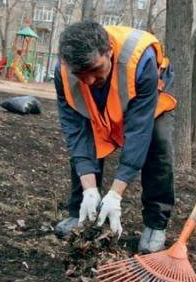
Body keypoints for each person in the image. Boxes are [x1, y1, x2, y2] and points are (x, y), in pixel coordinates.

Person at [54, 21, 177, 253]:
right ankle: (80, 212)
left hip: (148, 92)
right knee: (85, 140)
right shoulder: (64, 72)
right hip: (101, 102)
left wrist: (115, 195)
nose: (89, 81)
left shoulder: (141, 60)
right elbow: (77, 134)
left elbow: (138, 133)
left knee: (157, 142)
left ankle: (155, 224)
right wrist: (89, 190)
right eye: (80, 74)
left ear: (109, 51)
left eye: (94, 69)